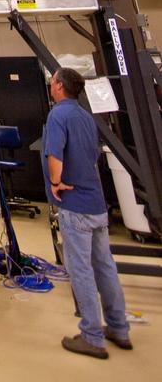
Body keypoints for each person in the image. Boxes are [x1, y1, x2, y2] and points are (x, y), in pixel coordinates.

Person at [43, 66, 131, 358]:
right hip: (96, 203)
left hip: (74, 205)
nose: (51, 83)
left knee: (81, 270)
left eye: (53, 80)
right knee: (105, 266)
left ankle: (92, 336)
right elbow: (92, 155)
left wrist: (56, 183)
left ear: (59, 87)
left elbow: (55, 154)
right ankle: (119, 327)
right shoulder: (84, 116)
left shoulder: (58, 116)